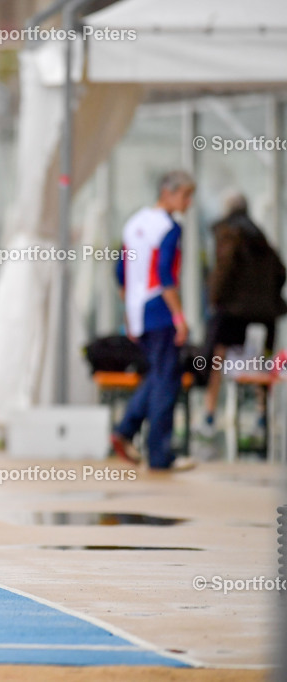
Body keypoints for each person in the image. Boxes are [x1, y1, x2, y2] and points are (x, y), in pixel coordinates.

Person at [111, 170, 196, 472]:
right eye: (186, 195)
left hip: (138, 310)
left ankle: (126, 429)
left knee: (159, 374)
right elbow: (165, 275)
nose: (188, 202)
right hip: (159, 309)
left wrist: (129, 310)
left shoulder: (133, 223)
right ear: (168, 193)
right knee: (167, 381)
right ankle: (159, 453)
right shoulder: (169, 227)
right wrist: (179, 316)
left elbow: (120, 273)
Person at [199, 191, 287, 438]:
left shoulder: (228, 233)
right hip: (264, 312)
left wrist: (216, 297)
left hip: (233, 311)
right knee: (261, 361)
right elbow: (281, 271)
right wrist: (267, 296)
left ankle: (209, 413)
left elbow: (223, 270)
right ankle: (261, 415)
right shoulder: (262, 238)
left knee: (217, 356)